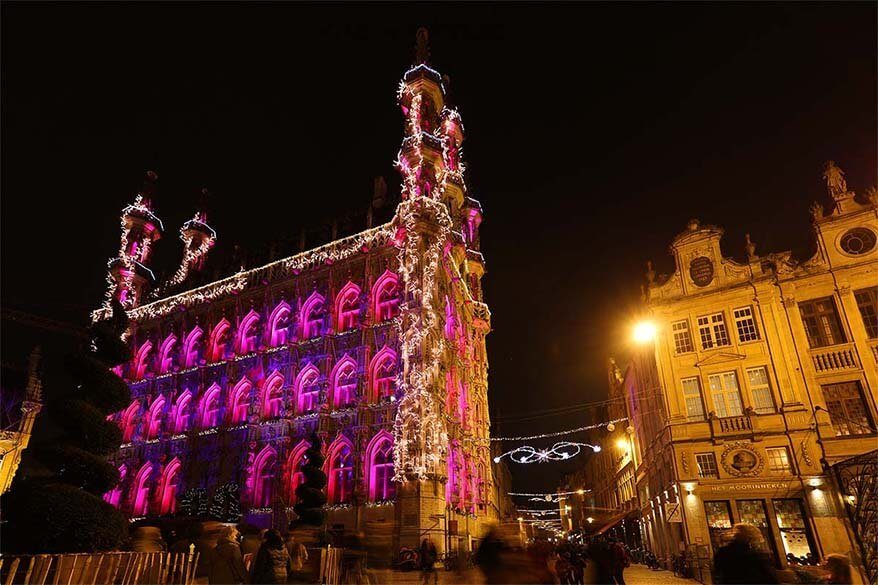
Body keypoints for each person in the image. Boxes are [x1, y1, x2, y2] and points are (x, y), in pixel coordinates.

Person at [712, 523, 778, 584]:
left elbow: (717, 572)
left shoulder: (723, 552)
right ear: (751, 538)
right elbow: (770, 578)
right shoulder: (757, 555)